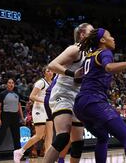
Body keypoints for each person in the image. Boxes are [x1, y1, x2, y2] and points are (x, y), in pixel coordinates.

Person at [74, 28, 126, 163]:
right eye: (110, 36)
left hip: (80, 105)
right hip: (94, 101)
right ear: (102, 40)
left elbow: (79, 75)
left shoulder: (90, 55)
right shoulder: (105, 52)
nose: (113, 38)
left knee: (103, 137)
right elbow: (109, 67)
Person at [43, 23, 94, 163]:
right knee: (63, 137)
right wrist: (72, 73)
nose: (94, 32)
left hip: (76, 97)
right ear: (82, 35)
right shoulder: (75, 49)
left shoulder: (90, 54)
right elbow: (52, 65)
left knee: (78, 142)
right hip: (63, 93)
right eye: (91, 30)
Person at [13, 67, 53, 162]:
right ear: (44, 73)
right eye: (48, 71)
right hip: (39, 109)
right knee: (39, 135)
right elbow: (32, 96)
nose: (50, 72)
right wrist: (45, 100)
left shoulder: (53, 83)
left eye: (51, 71)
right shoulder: (41, 82)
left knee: (49, 136)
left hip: (48, 110)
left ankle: (48, 159)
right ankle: (20, 151)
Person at [0, 79, 25, 162]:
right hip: (6, 116)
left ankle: (18, 156)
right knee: (0, 136)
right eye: (9, 83)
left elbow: (19, 106)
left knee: (17, 137)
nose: (11, 84)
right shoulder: (2, 94)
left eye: (13, 83)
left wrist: (22, 118)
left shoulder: (17, 94)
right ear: (6, 84)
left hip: (15, 116)